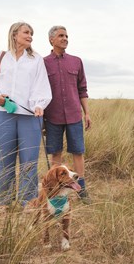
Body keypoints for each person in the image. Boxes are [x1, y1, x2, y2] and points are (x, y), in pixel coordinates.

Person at [0, 22, 52, 211]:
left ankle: (27, 201)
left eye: (32, 33)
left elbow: (42, 85)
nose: (30, 36)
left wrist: (39, 105)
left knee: (29, 161)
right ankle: (3, 201)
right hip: (3, 115)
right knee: (6, 159)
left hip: (30, 116)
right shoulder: (0, 57)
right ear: (14, 34)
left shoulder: (36, 59)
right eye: (26, 32)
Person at [44, 25, 92, 204]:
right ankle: (56, 189)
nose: (65, 38)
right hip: (52, 116)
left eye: (66, 36)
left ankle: (82, 191)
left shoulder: (76, 61)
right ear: (51, 40)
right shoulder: (43, 63)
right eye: (61, 36)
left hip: (74, 115)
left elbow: (83, 89)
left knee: (78, 152)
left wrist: (87, 113)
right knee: (55, 153)